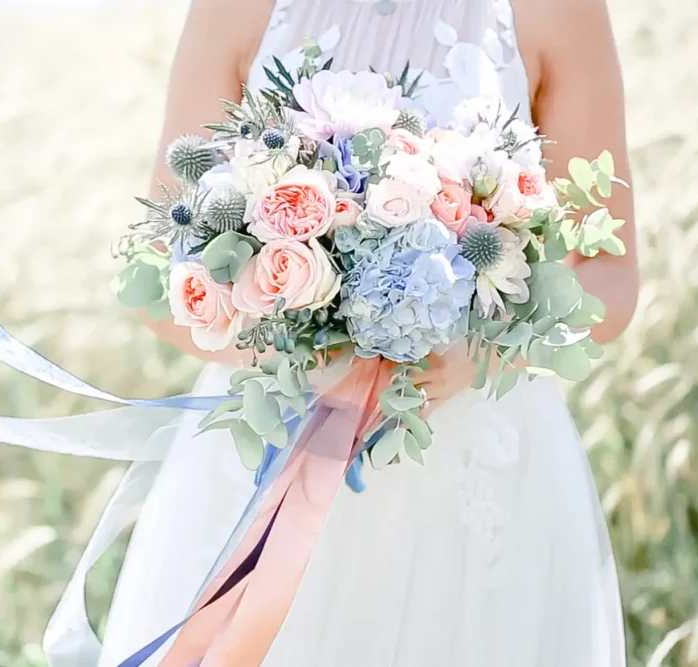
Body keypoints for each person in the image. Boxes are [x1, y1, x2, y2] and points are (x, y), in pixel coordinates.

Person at [97, 0, 639, 665]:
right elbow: (159, 277)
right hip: (272, 457)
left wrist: (480, 352)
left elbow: (611, 280)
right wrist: (300, 343)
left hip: (476, 468)